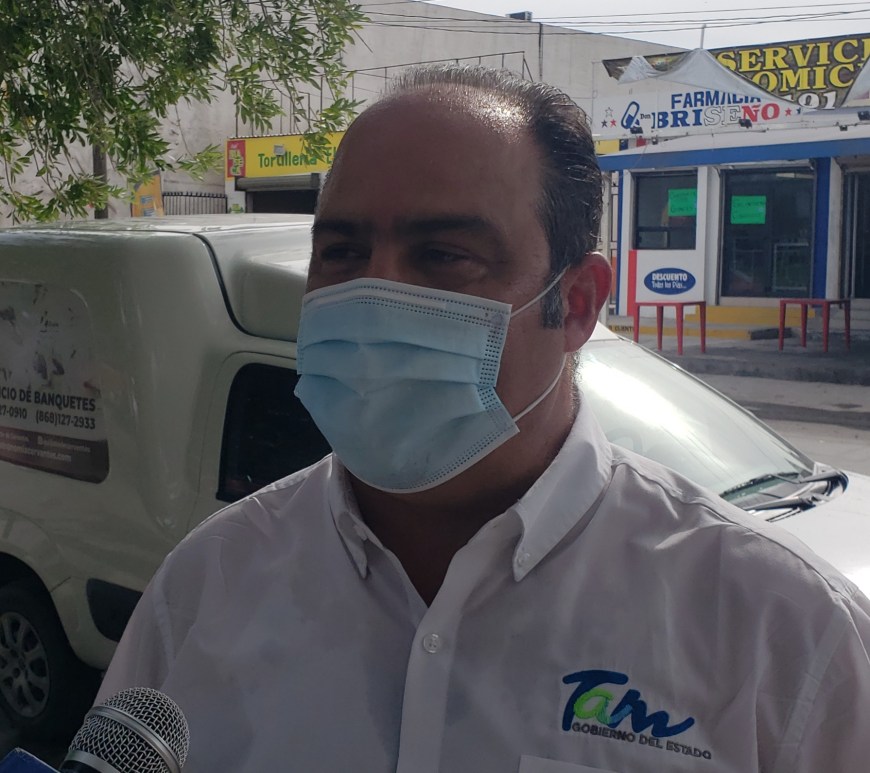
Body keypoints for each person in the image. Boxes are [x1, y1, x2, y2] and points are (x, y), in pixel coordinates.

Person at [98, 65, 870, 772]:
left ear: (577, 303)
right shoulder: (208, 584)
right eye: (341, 251)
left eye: (443, 255)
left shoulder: (782, 634)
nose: (375, 295)